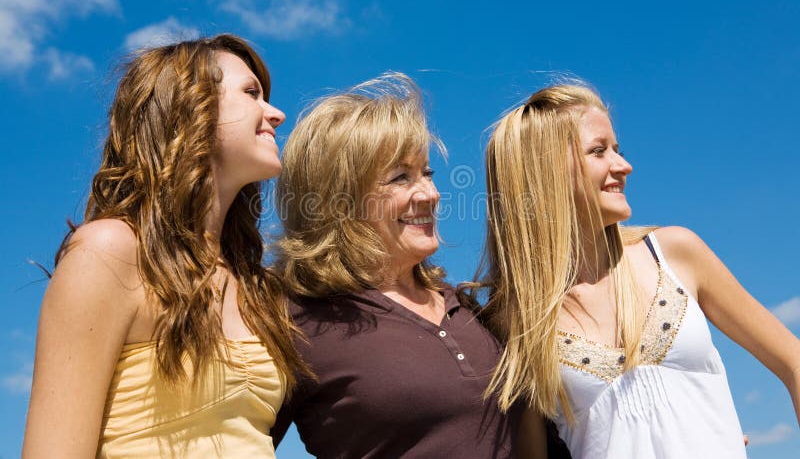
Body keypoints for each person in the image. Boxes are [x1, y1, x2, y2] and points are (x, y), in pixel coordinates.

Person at [470, 84, 800, 458]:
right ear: (544, 173)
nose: (623, 166)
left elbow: (794, 360)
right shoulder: (517, 321)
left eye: (617, 149)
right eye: (599, 151)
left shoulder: (675, 252)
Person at [22, 34, 306, 458]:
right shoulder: (109, 252)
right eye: (251, 94)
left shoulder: (257, 286)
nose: (277, 114)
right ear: (191, 107)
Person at [269, 73, 520, 458]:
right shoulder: (294, 323)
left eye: (427, 174)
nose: (431, 194)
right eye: (401, 177)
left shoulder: (467, 308)